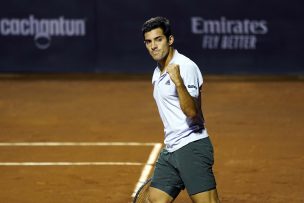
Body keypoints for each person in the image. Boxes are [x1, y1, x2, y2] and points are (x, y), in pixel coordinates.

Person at [141, 16, 220, 203]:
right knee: (153, 200)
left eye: (158, 39)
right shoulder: (157, 71)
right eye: (148, 42)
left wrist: (178, 82)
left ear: (170, 40)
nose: (153, 46)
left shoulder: (186, 67)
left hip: (192, 147)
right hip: (171, 149)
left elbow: (193, 112)